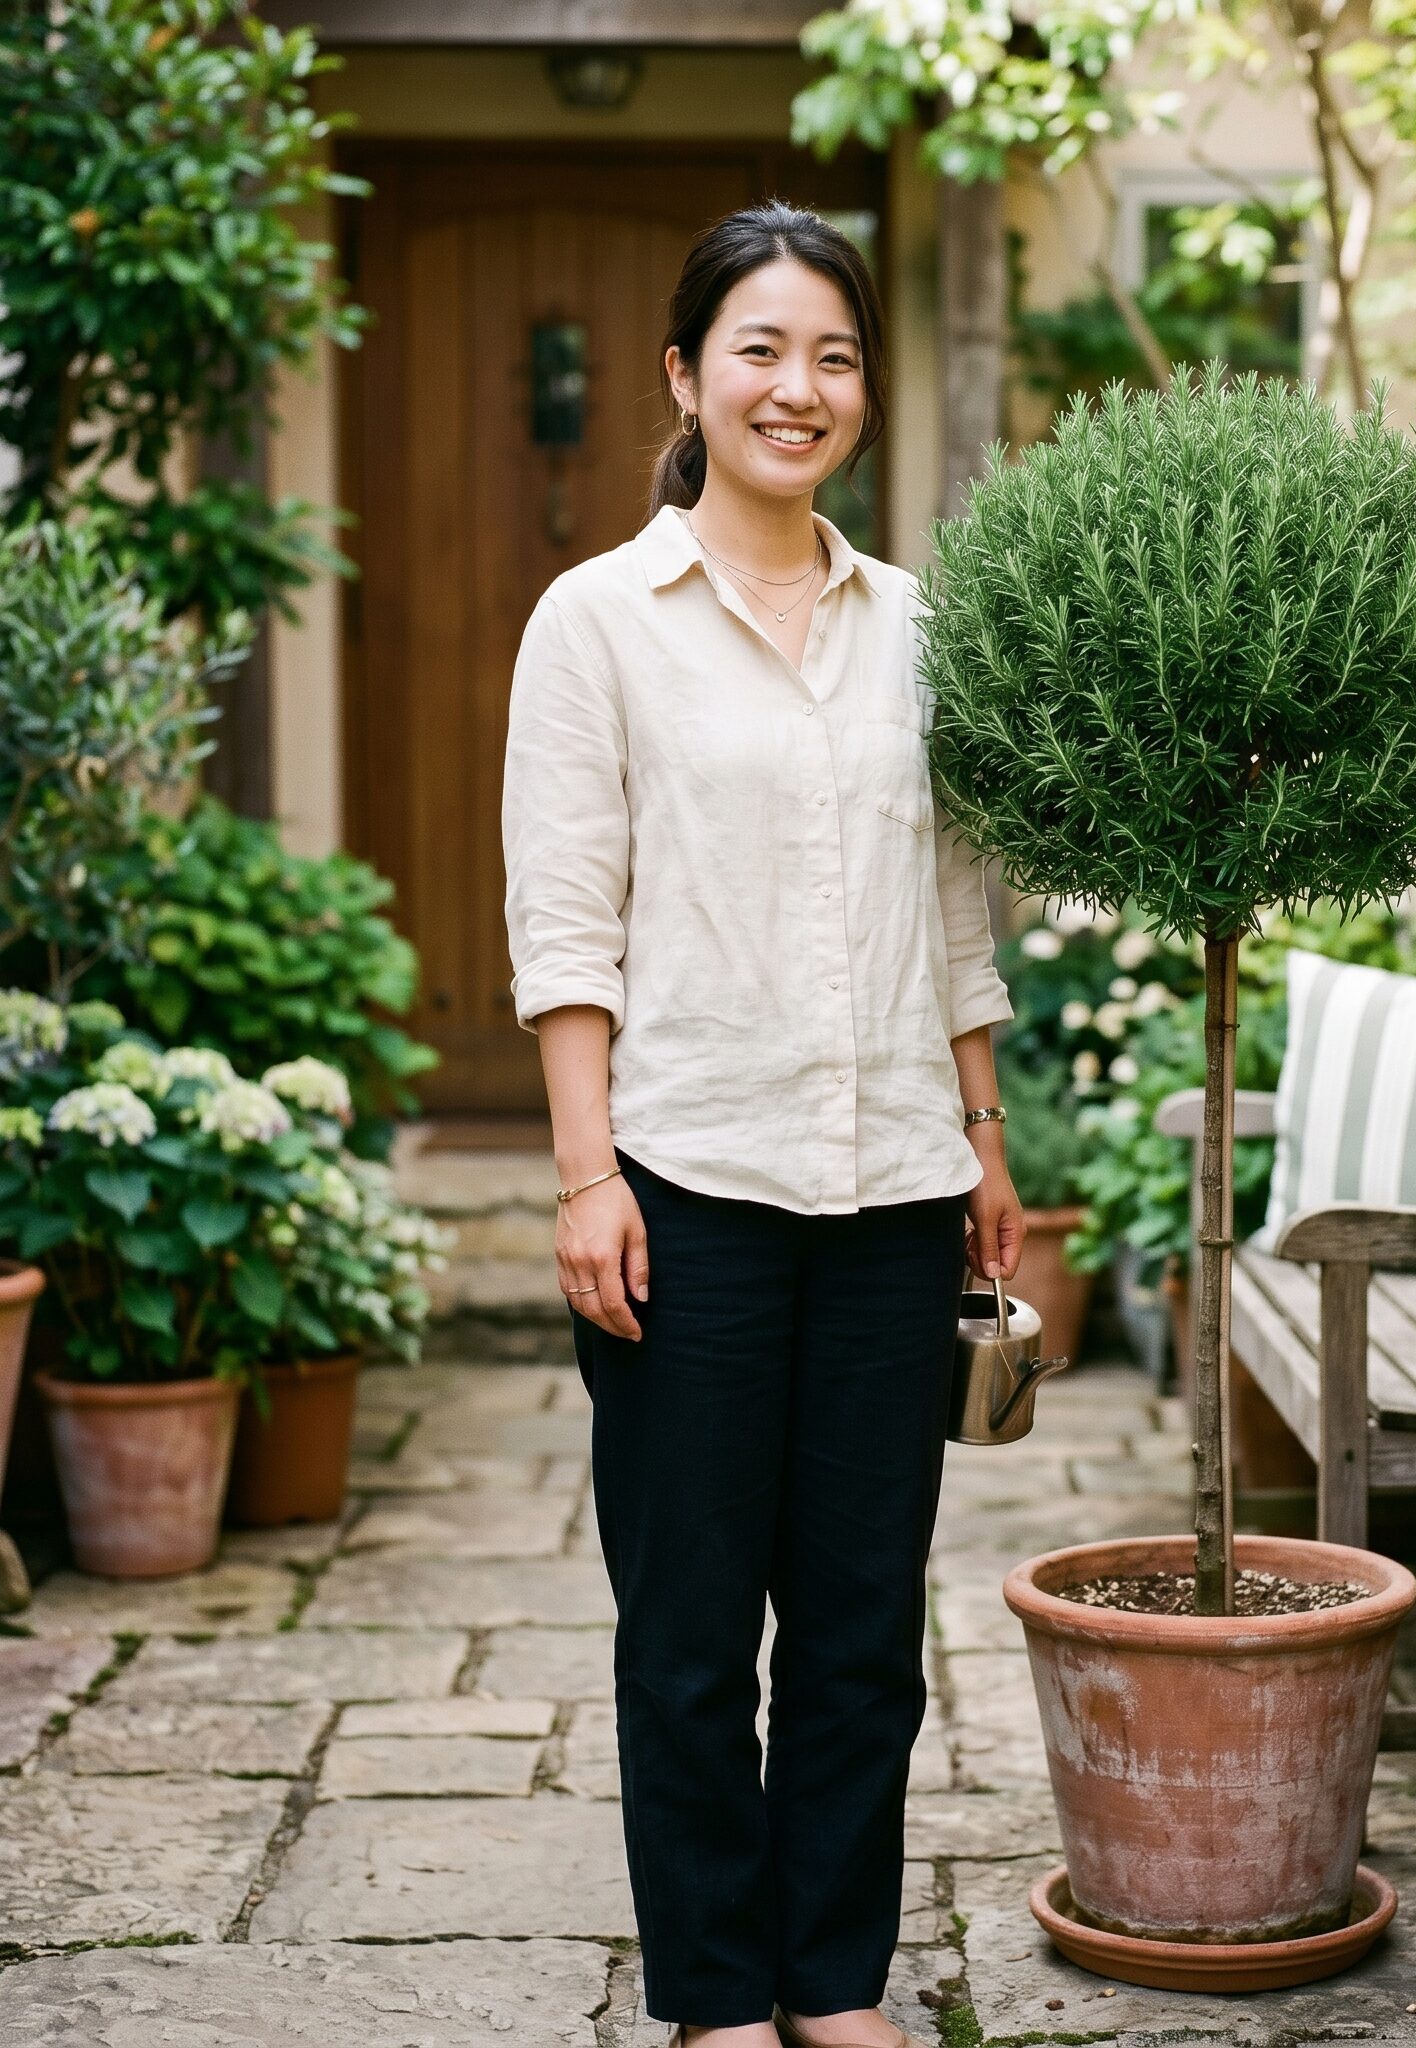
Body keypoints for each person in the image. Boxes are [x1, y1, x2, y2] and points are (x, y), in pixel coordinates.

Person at [502, 200, 1022, 2048]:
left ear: (863, 392)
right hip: (688, 1188)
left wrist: (983, 1130)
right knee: (694, 1627)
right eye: (761, 350)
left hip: (892, 1186)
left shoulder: (918, 633)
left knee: (868, 1629)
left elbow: (950, 908)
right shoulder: (597, 627)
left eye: (835, 356)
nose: (799, 387)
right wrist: (585, 1176)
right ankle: (722, 1995)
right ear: (684, 377)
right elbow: (564, 922)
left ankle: (836, 1981)